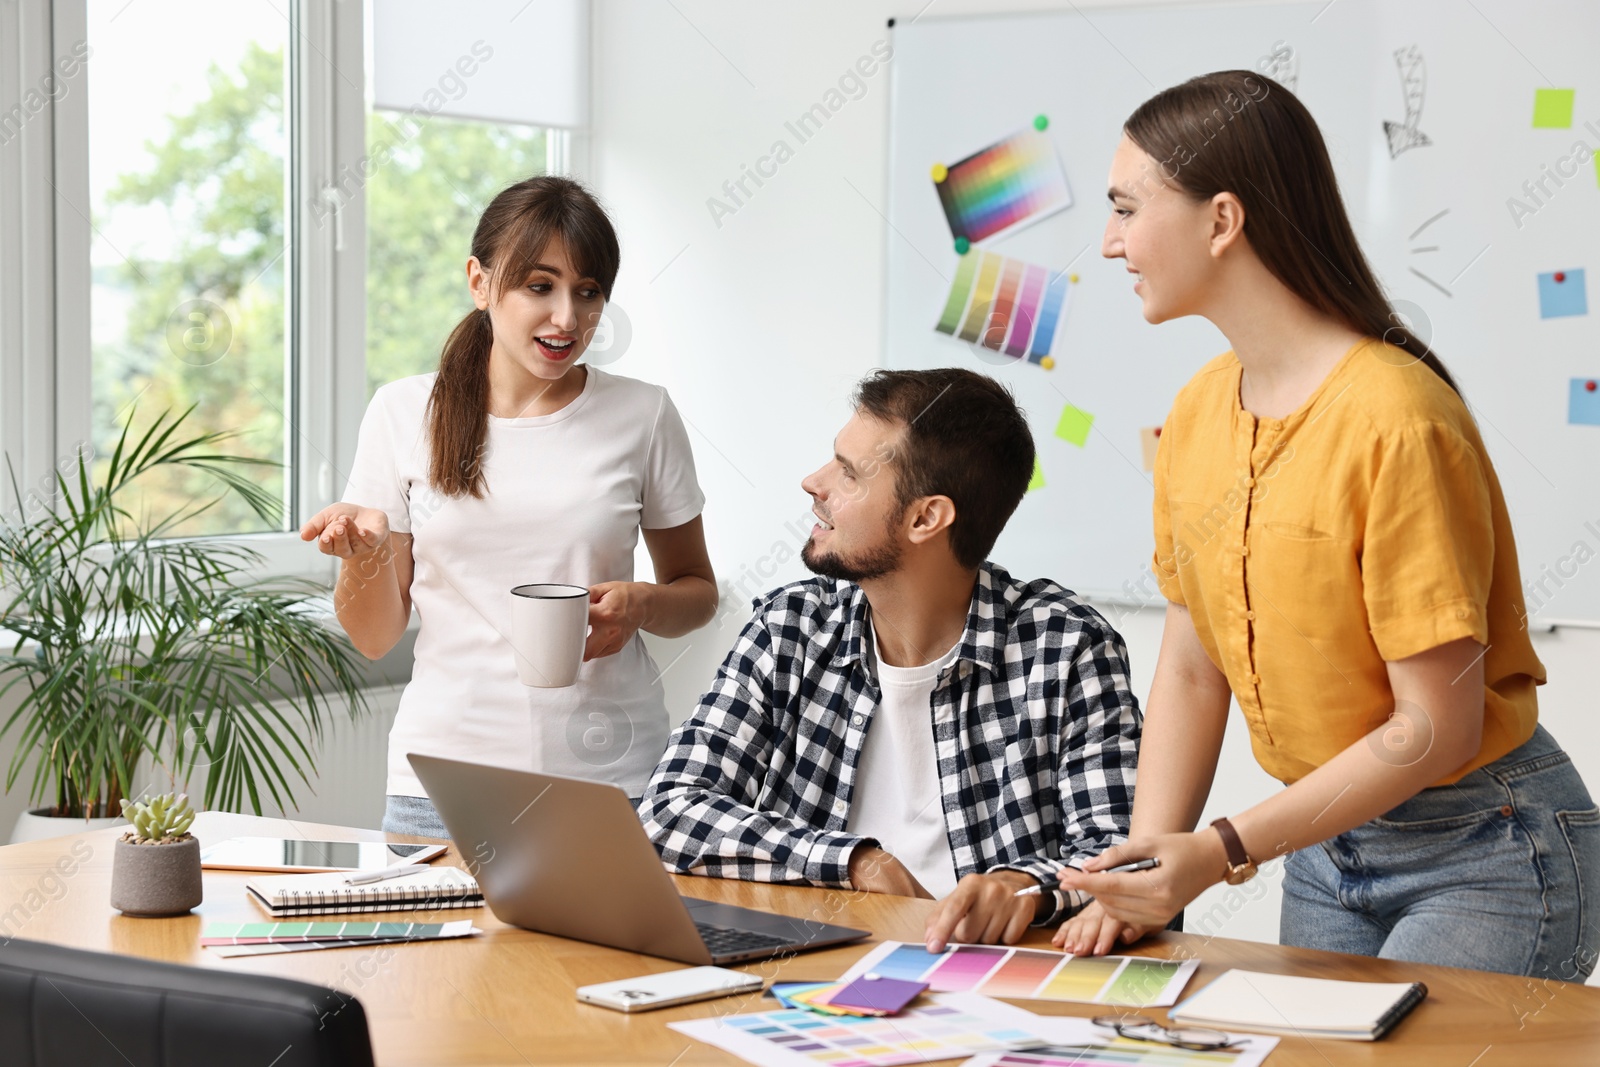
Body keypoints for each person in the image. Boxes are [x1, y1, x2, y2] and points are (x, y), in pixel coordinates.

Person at [1054, 71, 1600, 982]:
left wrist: (1224, 845)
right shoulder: (1194, 415)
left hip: (1489, 847)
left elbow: (1435, 727)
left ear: (1222, 220)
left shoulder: (1397, 418)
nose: (1109, 243)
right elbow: (1193, 667)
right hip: (1328, 841)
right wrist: (1145, 868)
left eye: (1126, 209)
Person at [640, 368, 1142, 950]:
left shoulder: (1067, 647)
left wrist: (1021, 888)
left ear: (925, 518)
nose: (813, 482)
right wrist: (855, 862)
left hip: (985, 979)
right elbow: (671, 808)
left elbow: (1122, 857)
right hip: (816, 960)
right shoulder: (793, 628)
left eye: (848, 473)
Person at [300, 176, 718, 838]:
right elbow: (376, 635)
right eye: (540, 286)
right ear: (480, 282)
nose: (567, 319)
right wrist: (366, 554)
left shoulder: (643, 414)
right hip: (442, 787)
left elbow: (697, 593)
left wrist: (639, 605)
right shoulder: (405, 412)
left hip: (613, 780)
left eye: (587, 293)